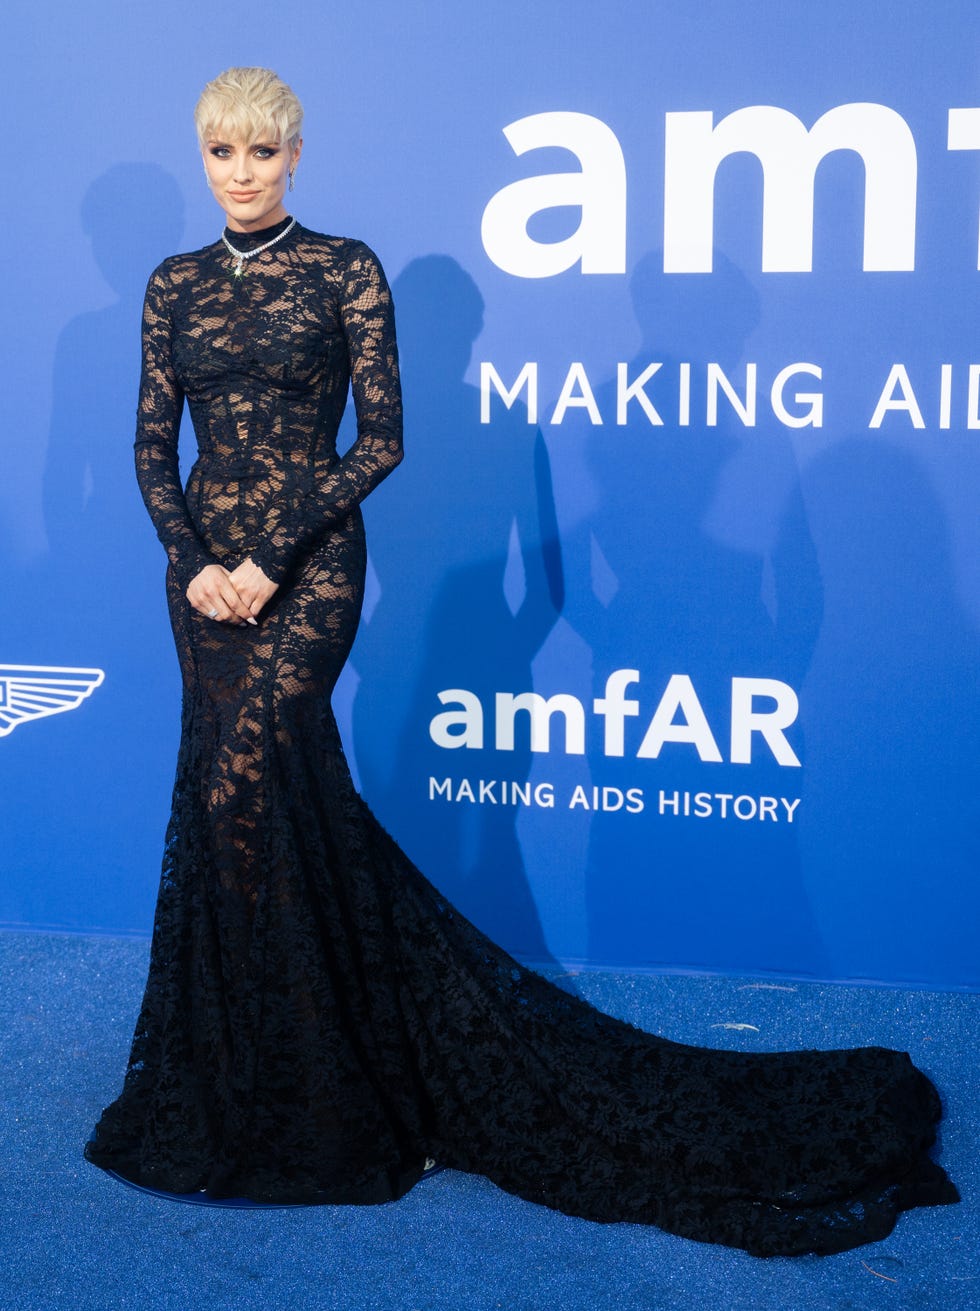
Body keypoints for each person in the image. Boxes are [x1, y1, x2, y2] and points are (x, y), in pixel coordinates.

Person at [84, 67, 958, 1257]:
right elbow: (147, 444)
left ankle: (332, 1075)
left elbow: (380, 441)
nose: (241, 174)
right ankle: (260, 1056)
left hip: (311, 574)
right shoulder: (171, 284)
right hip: (199, 585)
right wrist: (192, 558)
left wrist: (275, 554)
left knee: (261, 774)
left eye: (261, 152)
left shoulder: (345, 269)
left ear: (297, 156)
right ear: (205, 161)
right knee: (244, 808)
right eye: (221, 155)